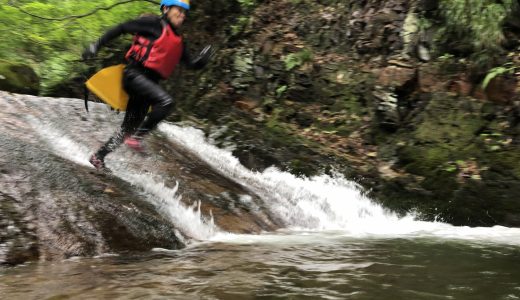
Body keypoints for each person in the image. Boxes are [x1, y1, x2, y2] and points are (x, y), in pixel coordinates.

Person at [82, 0, 212, 171]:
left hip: (148, 85)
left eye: (184, 12)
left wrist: (201, 61)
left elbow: (190, 64)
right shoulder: (153, 24)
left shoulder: (179, 41)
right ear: (166, 9)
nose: (182, 15)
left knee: (127, 129)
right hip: (134, 76)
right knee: (166, 102)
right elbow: (122, 27)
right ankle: (138, 138)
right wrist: (96, 45)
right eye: (178, 10)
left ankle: (98, 157)